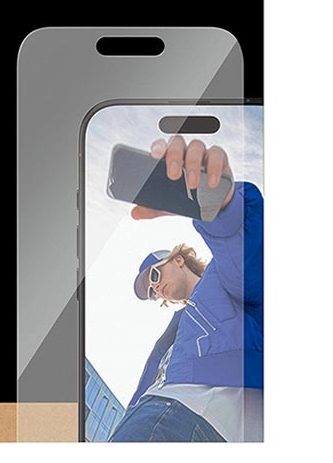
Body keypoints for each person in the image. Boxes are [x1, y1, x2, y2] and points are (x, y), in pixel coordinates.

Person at [109, 137, 263, 443]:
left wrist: (221, 211)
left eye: (155, 275)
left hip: (184, 415)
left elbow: (248, 261)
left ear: (178, 259)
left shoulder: (222, 275)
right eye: (151, 292)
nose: (156, 289)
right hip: (152, 414)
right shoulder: (177, 328)